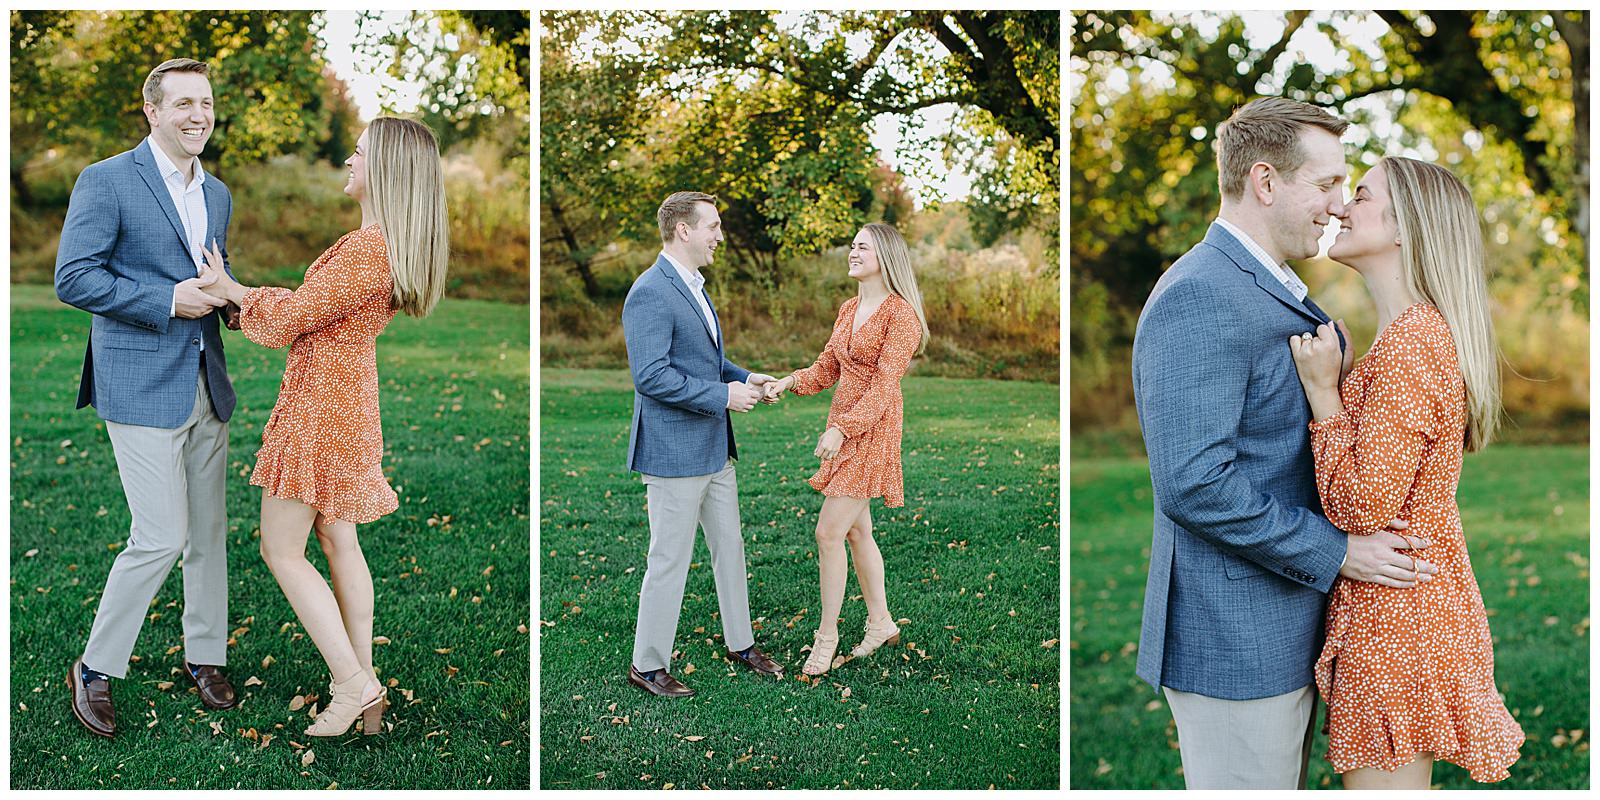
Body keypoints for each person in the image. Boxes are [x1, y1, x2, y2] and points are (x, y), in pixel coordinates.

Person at [1130, 97, 1434, 789]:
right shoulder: (1201, 293)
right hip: (1232, 637)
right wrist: (1340, 552)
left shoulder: (1273, 289)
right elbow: (1194, 482)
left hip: (1280, 621)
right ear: (1265, 182)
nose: (1337, 204)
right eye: (1326, 183)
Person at [195, 116, 449, 736]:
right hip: (349, 403)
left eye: (358, 154)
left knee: (281, 549)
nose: (348, 162)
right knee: (339, 542)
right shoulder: (390, 243)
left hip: (320, 408)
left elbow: (294, 317)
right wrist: (241, 300)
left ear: (385, 169)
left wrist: (232, 288)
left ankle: (353, 681)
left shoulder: (366, 248)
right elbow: (314, 317)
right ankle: (362, 686)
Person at [1288, 157, 1524, 787]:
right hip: (1403, 599)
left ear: (1403, 228)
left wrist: (1323, 395)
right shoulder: (1409, 336)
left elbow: (1358, 508)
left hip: (1398, 610)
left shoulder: (1412, 344)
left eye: (1360, 196)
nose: (1342, 206)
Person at [58, 57, 241, 738]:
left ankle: (205, 655)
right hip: (137, 383)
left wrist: (230, 302)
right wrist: (166, 300)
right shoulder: (106, 180)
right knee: (161, 535)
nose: (199, 114)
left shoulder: (216, 193)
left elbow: (212, 276)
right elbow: (75, 278)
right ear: (153, 112)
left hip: (205, 383)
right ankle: (96, 667)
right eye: (184, 103)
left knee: (208, 536)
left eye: (207, 102)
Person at [621, 191, 784, 697]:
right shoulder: (650, 290)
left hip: (715, 448)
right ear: (684, 230)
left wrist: (748, 377)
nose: (720, 235)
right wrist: (724, 396)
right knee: (669, 557)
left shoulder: (694, 285)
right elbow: (650, 376)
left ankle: (742, 643)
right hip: (673, 451)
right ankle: (647, 665)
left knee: (729, 549)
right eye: (712, 226)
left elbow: (706, 362)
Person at [764, 222, 929, 676]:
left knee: (828, 532)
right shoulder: (848, 308)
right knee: (858, 532)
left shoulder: (902, 316)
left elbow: (883, 387)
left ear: (886, 257)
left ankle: (827, 636)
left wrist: (842, 429)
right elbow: (826, 367)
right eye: (852, 246)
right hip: (844, 425)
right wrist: (790, 381)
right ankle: (880, 622)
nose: (852, 252)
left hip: (872, 430)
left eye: (862, 247)